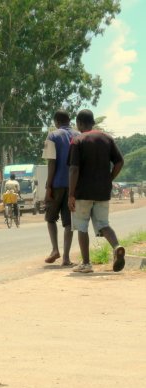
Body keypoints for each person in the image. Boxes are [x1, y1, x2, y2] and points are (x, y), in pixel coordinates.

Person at [68, 109, 125, 273]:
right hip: (102, 191)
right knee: (103, 224)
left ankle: (86, 264)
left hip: (82, 192)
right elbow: (120, 162)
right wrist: (109, 179)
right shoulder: (107, 138)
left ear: (79, 124)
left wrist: (71, 194)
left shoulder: (77, 140)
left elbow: (73, 169)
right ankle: (117, 246)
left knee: (82, 227)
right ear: (93, 122)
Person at [41, 110, 79, 266]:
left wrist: (48, 186)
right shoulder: (79, 135)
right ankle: (66, 258)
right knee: (69, 222)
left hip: (56, 184)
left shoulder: (52, 136)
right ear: (69, 121)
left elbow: (51, 163)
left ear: (56, 121)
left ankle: (55, 249)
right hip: (74, 187)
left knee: (50, 218)